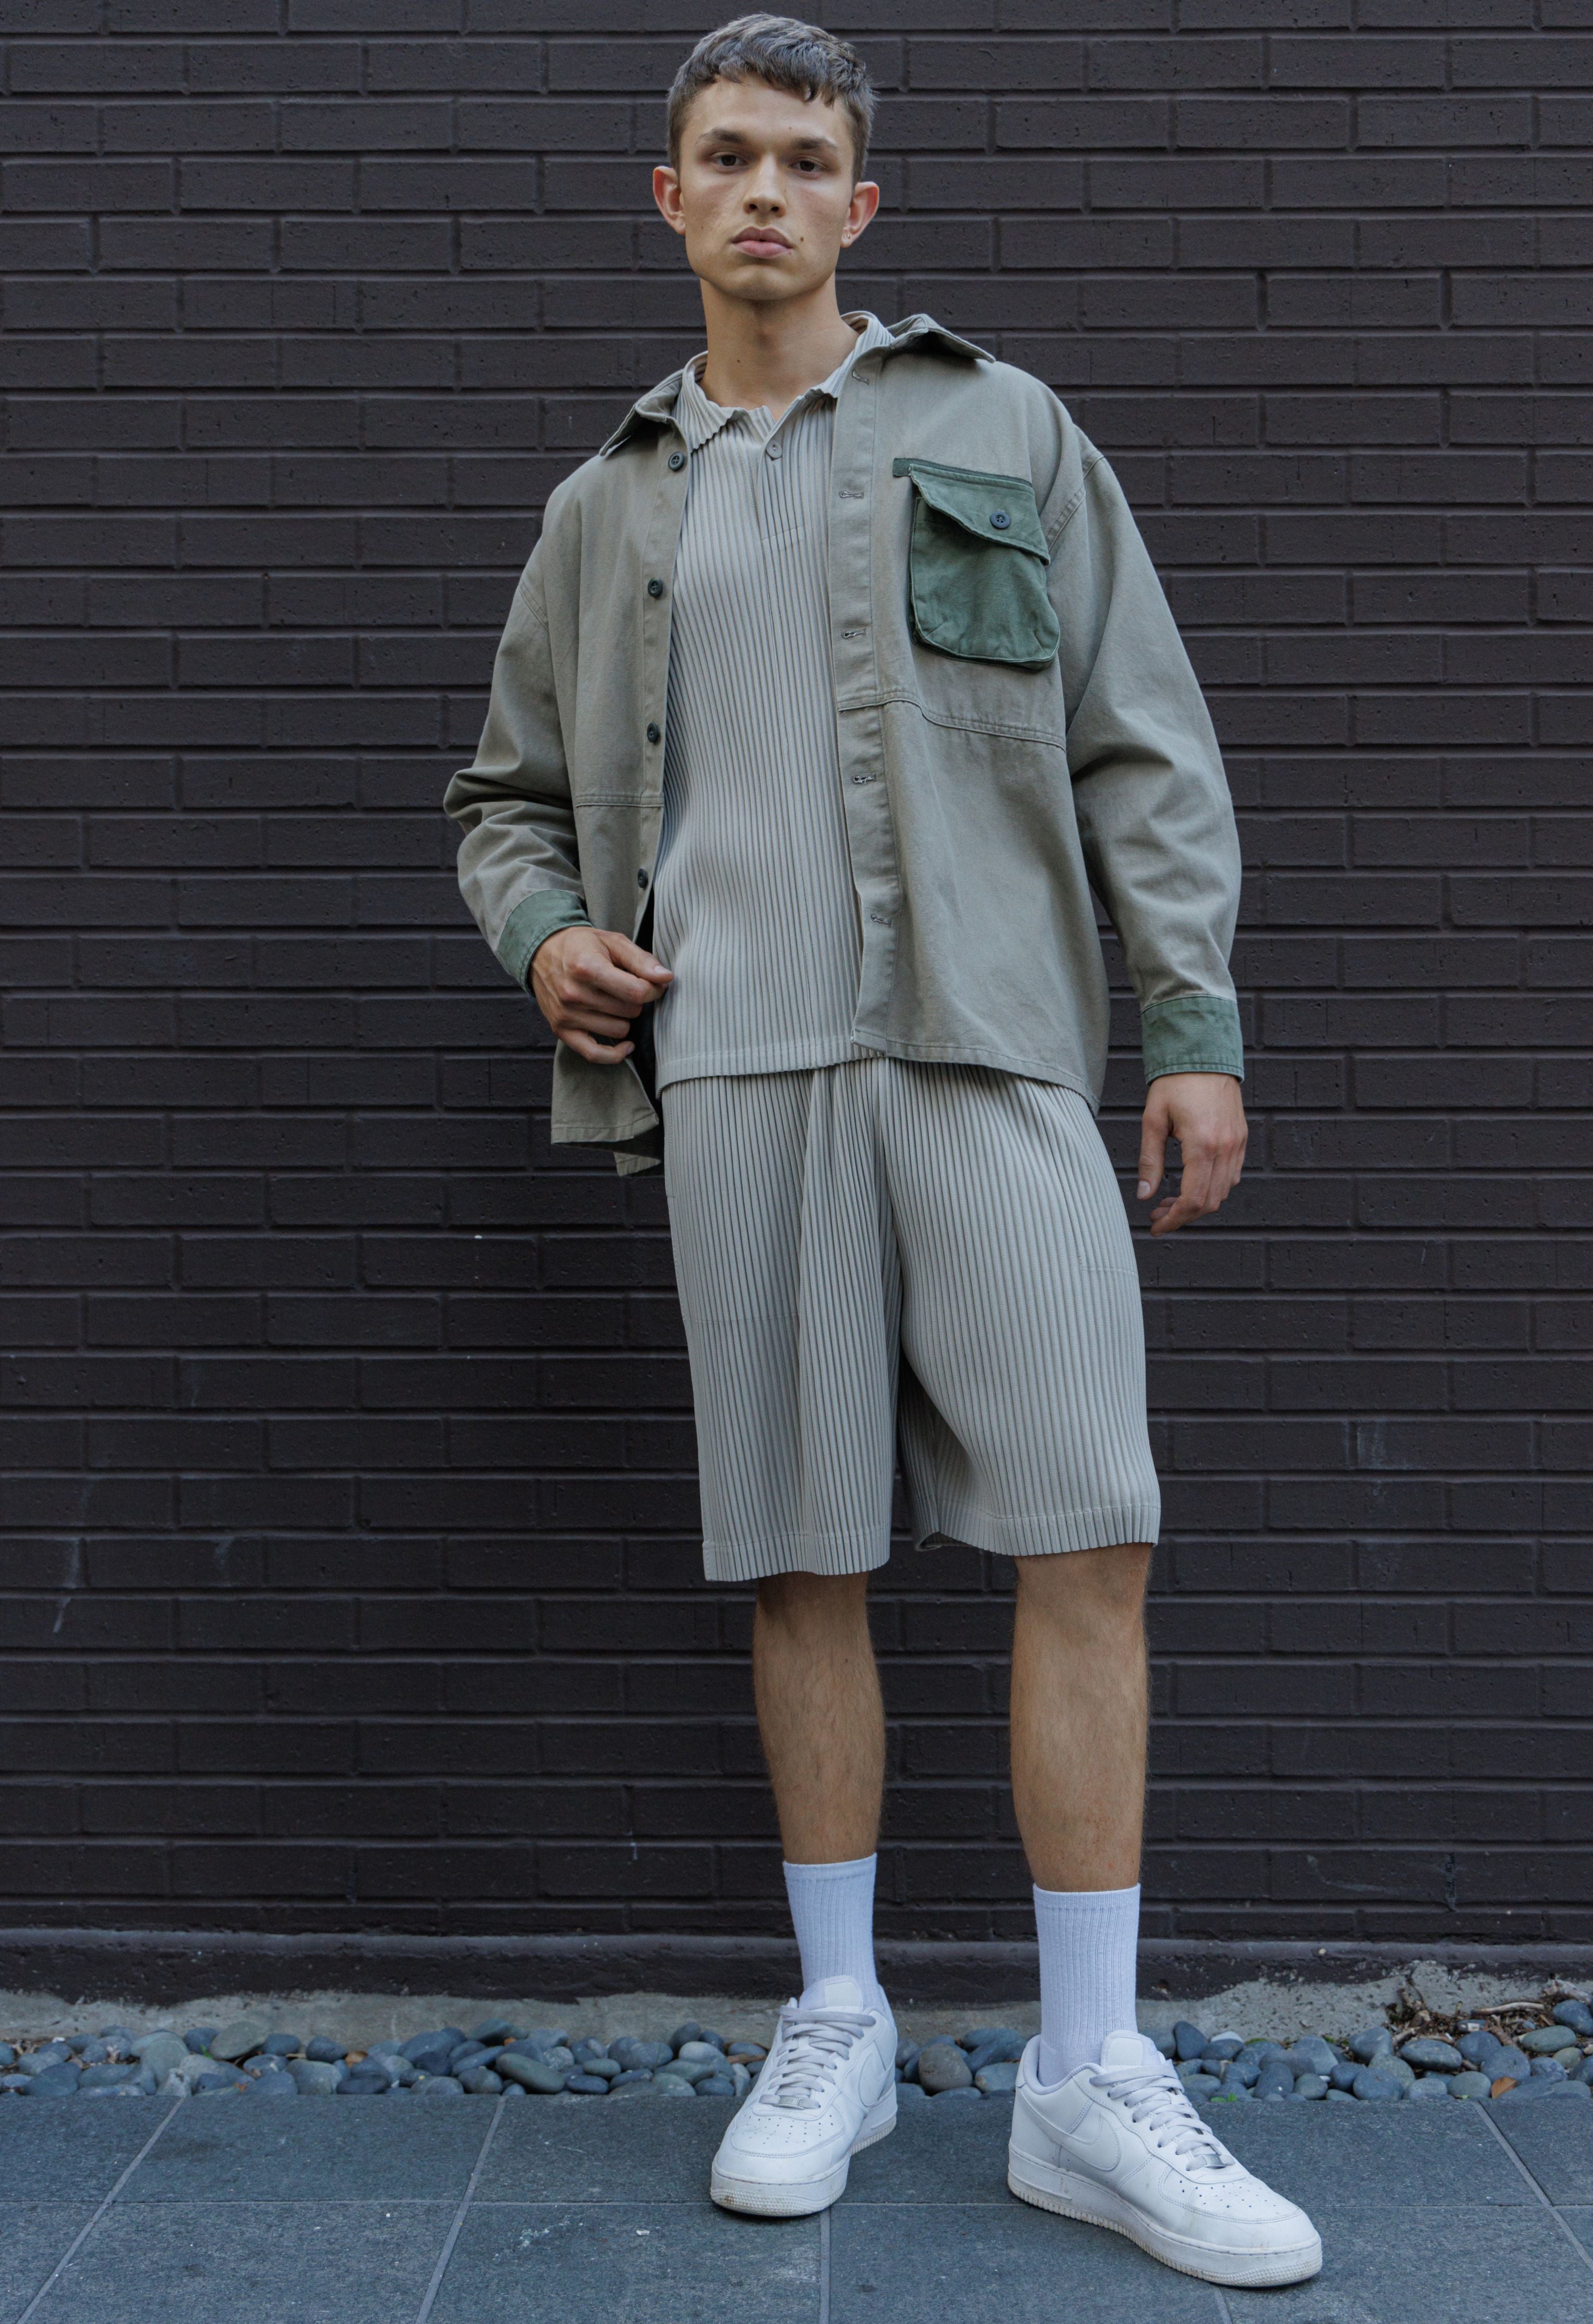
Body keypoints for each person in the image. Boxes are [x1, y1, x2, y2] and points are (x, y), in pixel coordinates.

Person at [444, 12, 1321, 2292]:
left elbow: (1142, 739)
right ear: (672, 200)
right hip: (739, 1074)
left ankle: (1088, 2074)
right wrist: (545, 938)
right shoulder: (607, 507)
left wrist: (1191, 1024)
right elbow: (503, 798)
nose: (765, 190)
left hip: (993, 1049)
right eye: (726, 156)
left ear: (861, 199)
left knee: (1090, 1529)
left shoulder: (1001, 429)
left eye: (803, 157)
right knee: (802, 1559)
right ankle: (834, 2020)